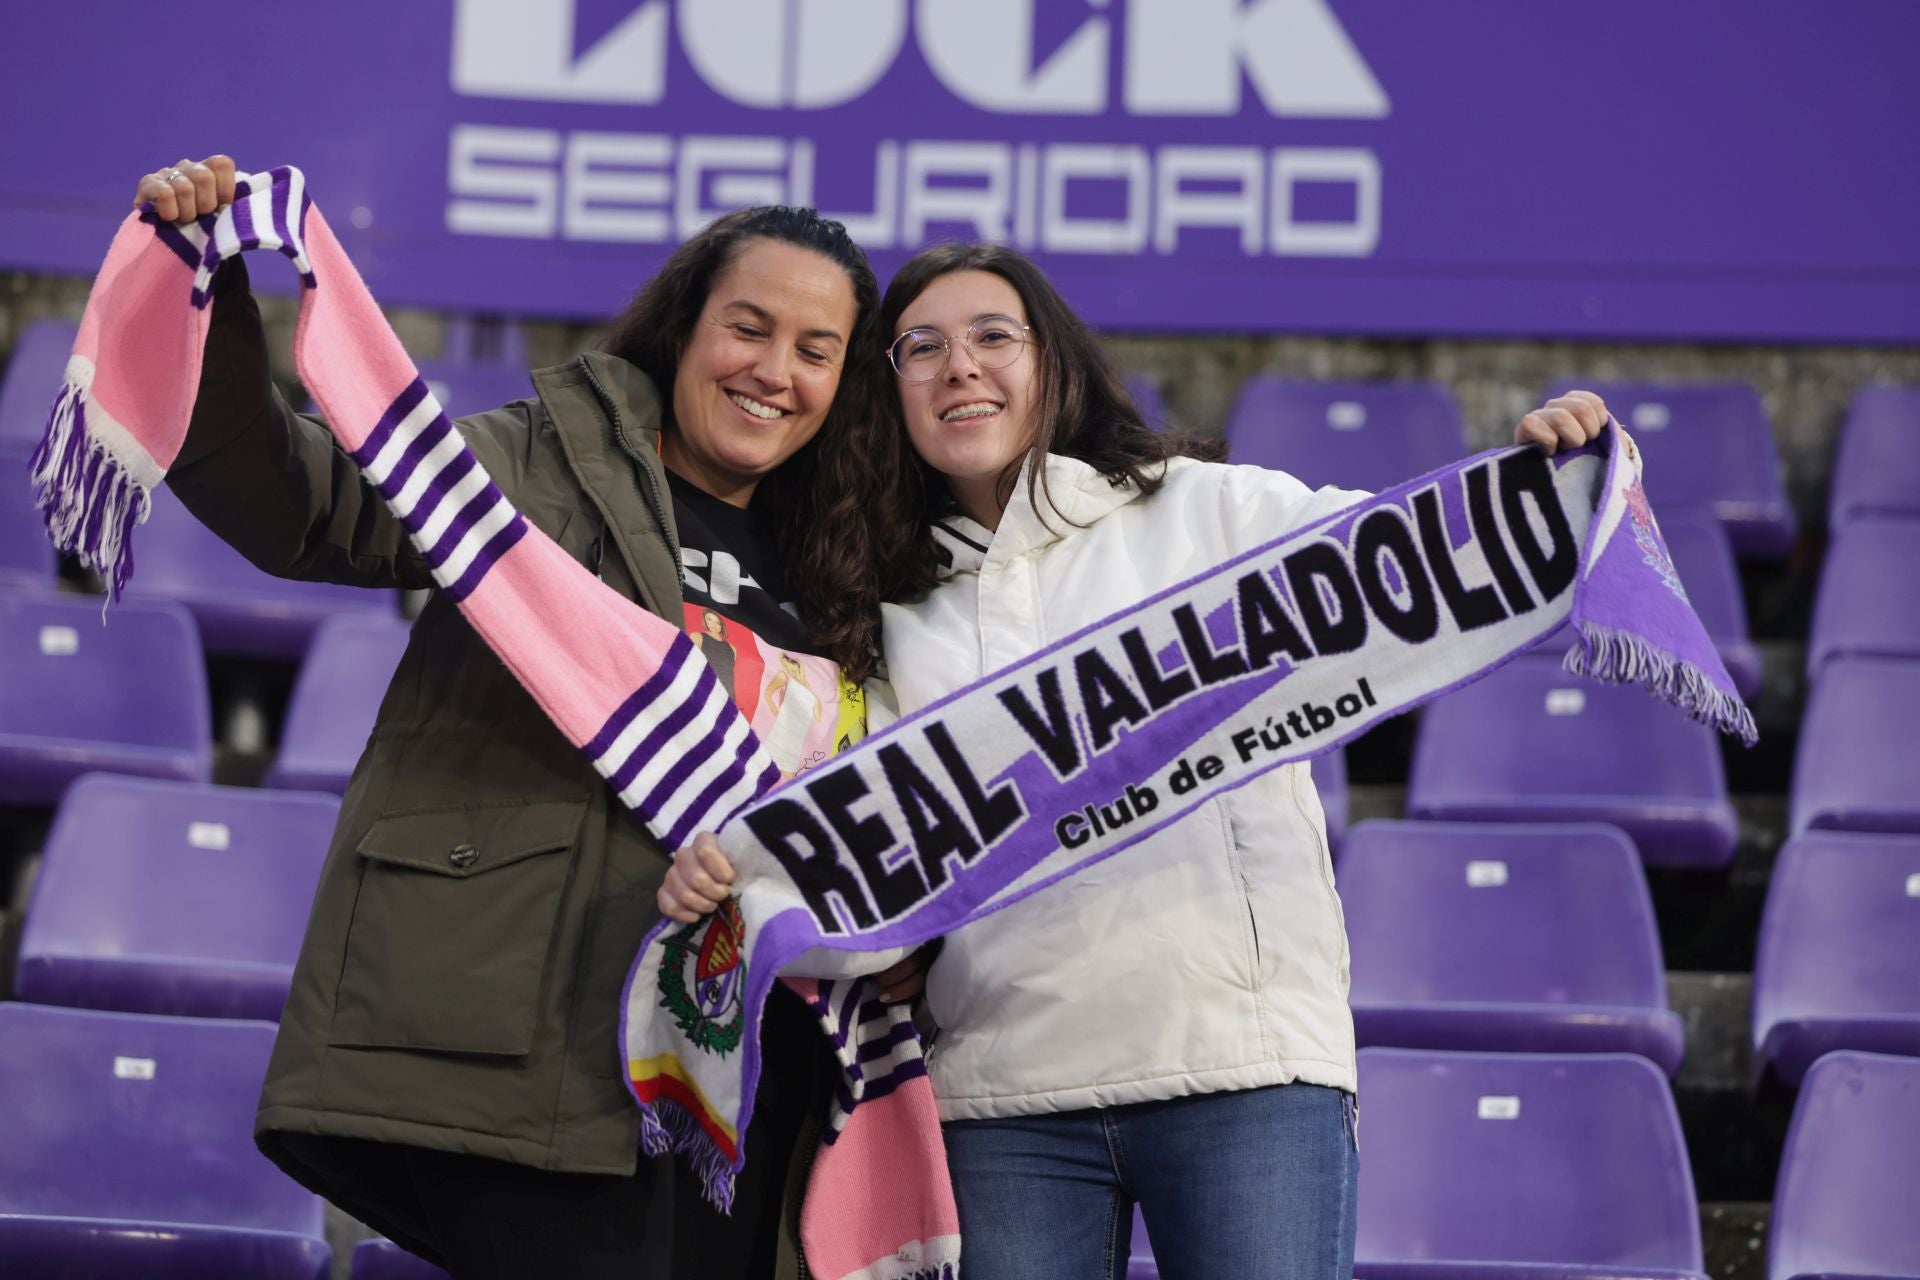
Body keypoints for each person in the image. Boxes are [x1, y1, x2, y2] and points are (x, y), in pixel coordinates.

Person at [661, 241, 1609, 1279]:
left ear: (1053, 362)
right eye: (919, 348)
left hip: (1242, 1072)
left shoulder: (1207, 508)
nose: (959, 366)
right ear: (889, 397)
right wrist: (739, 886)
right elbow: (862, 851)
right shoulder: (888, 614)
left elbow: (1396, 565)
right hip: (1003, 1096)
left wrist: (1533, 486)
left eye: (992, 336)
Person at [134, 156, 926, 1280]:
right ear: (684, 329)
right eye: (748, 328)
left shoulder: (857, 561)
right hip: (544, 1036)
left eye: (816, 350)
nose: (773, 372)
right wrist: (208, 294)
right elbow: (298, 504)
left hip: (760, 1077)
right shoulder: (541, 460)